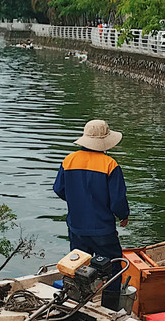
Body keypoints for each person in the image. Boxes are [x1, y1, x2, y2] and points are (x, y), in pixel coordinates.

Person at [53, 119, 129, 310]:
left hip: (76, 226)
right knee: (112, 265)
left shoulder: (69, 160)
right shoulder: (110, 164)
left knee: (78, 266)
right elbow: (118, 201)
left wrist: (77, 201)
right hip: (102, 228)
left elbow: (59, 189)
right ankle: (110, 307)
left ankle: (77, 304)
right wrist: (123, 216)